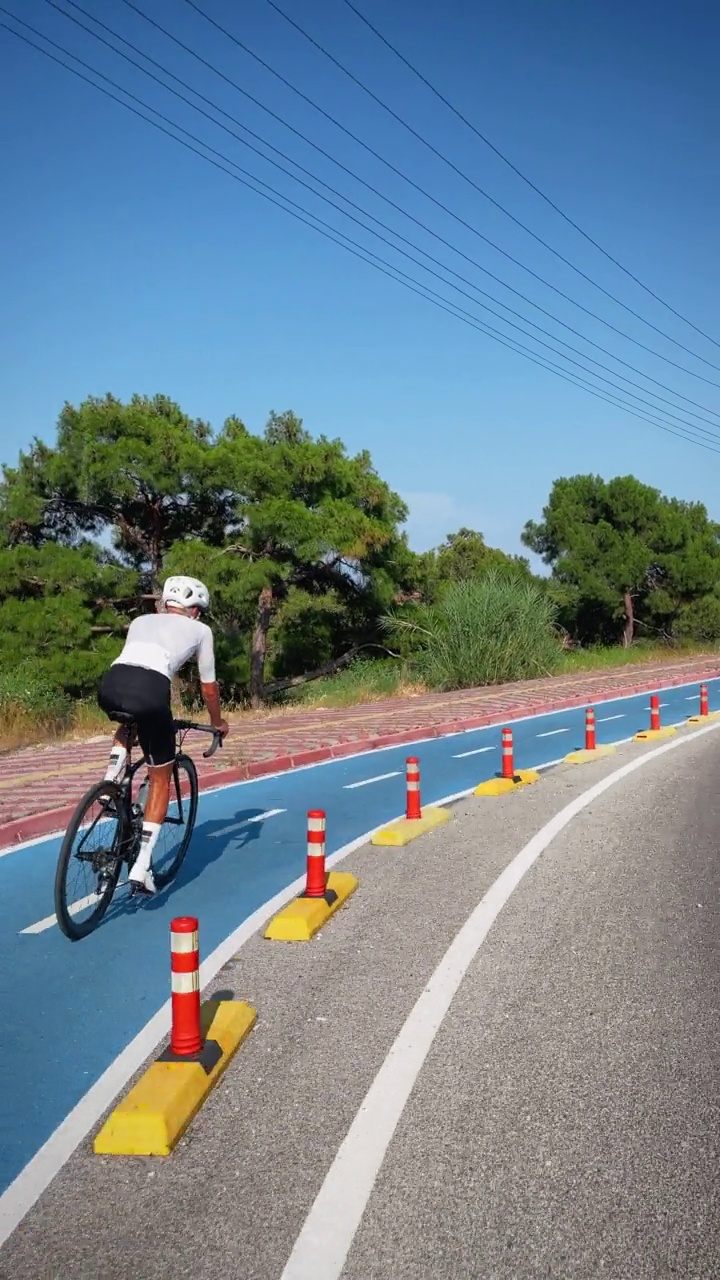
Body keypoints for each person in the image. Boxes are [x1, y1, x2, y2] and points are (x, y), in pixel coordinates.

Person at [97, 575, 229, 895]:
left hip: (111, 685)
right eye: (199, 609)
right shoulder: (201, 630)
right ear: (194, 609)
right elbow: (208, 687)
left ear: (165, 602)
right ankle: (142, 866)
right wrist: (218, 721)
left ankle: (111, 780)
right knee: (161, 776)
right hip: (151, 692)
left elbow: (137, 666)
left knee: (130, 719)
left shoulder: (141, 620)